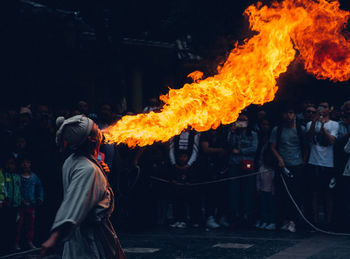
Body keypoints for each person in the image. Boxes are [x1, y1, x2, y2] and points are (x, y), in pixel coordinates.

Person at [41, 115, 125, 259]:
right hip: (89, 242)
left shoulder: (72, 161)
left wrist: (100, 172)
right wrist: (55, 237)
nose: (101, 131)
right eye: (96, 129)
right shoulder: (88, 169)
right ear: (91, 140)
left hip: (79, 237)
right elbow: (74, 203)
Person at [270, 107, 307, 232]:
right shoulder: (277, 130)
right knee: (282, 194)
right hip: (282, 166)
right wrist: (279, 158)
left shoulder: (300, 129)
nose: (288, 115)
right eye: (286, 112)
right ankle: (284, 220)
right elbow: (273, 147)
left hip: (296, 165)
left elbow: (306, 146)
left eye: (291, 112)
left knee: (295, 194)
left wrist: (303, 161)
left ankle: (293, 221)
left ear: (295, 115)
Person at [306, 101, 339, 227]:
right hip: (313, 162)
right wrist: (315, 122)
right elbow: (308, 138)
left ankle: (328, 222)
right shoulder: (310, 123)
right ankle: (314, 222)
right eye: (320, 106)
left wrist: (323, 128)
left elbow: (331, 141)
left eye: (325, 106)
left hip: (328, 163)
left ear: (330, 109)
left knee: (328, 194)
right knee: (314, 193)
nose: (322, 109)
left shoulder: (334, 124)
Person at [227, 113, 258, 224]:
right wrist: (232, 132)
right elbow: (229, 145)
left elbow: (254, 148)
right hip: (234, 163)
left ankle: (247, 214)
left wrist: (240, 151)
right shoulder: (233, 133)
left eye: (244, 120)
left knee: (247, 189)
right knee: (234, 189)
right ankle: (235, 214)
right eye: (240, 119)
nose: (242, 122)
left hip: (247, 163)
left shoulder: (253, 134)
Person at [169, 129, 201, 228]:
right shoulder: (174, 132)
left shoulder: (194, 134)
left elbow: (195, 150)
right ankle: (178, 218)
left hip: (190, 169)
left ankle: (192, 219)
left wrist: (188, 164)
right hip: (176, 167)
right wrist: (174, 163)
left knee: (191, 195)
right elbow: (171, 149)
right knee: (177, 195)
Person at [15, 155, 44, 250]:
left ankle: (29, 242)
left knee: (30, 225)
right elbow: (16, 190)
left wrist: (40, 198)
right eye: (23, 163)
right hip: (20, 206)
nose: (25, 164)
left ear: (30, 164)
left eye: (27, 162)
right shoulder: (17, 177)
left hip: (31, 205)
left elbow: (40, 187)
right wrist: (21, 199)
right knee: (18, 225)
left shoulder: (34, 177)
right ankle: (16, 243)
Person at [2, 155, 21, 251]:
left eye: (13, 164)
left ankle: (12, 245)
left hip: (16, 206)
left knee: (14, 227)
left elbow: (20, 190)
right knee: (5, 225)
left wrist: (20, 201)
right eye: (9, 163)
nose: (11, 166)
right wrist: (5, 199)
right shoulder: (3, 176)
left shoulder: (17, 176)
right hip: (5, 206)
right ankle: (4, 246)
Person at [256, 150, 276, 230]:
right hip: (263, 191)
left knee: (271, 208)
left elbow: (274, 181)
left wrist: (274, 191)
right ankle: (264, 221)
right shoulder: (261, 168)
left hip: (271, 192)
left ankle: (272, 222)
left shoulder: (273, 170)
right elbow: (258, 179)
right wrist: (258, 189)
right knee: (263, 207)